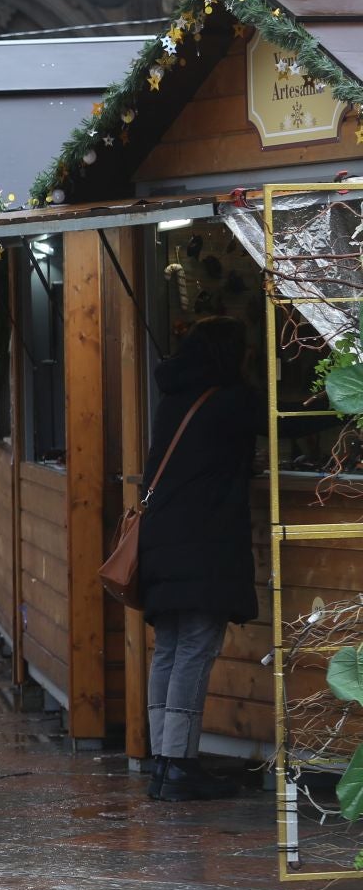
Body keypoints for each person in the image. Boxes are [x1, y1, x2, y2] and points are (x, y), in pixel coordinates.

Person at [138, 316, 261, 802]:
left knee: (170, 649)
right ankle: (180, 766)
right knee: (193, 650)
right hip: (203, 545)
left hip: (162, 541)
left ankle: (164, 765)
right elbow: (286, 422)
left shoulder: (174, 397)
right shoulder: (231, 401)